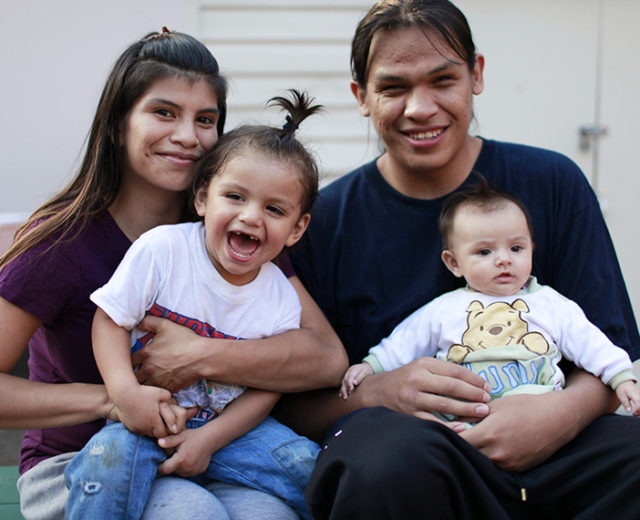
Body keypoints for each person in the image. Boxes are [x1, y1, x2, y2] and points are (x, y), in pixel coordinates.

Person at [283, 0, 640, 518]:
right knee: (381, 463)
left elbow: (612, 351)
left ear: (476, 74)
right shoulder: (322, 221)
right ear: (361, 96)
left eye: (442, 80)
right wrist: (375, 393)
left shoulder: (553, 183)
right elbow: (293, 404)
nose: (420, 108)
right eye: (394, 88)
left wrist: (556, 416)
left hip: (562, 439)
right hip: (415, 450)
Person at [0, 28, 346, 520]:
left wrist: (200, 357)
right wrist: (116, 400)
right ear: (118, 125)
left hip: (213, 448)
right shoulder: (61, 243)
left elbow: (324, 357)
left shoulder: (236, 235)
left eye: (205, 120)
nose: (188, 136)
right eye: (164, 113)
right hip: (81, 461)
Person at [64, 90, 322, 520]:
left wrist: (210, 439)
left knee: (307, 465)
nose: (251, 217)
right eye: (235, 197)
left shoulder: (279, 294)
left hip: (233, 433)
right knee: (106, 461)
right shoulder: (163, 251)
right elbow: (110, 320)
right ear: (203, 198)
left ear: (296, 229)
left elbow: (269, 383)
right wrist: (125, 395)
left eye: (274, 209)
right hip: (151, 419)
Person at [340, 182, 640, 417]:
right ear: (453, 262)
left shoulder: (550, 304)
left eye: (516, 248)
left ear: (532, 250)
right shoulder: (445, 309)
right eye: (485, 252)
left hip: (535, 407)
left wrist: (621, 378)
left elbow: (590, 342)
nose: (503, 260)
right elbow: (405, 341)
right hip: (461, 412)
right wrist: (370, 366)